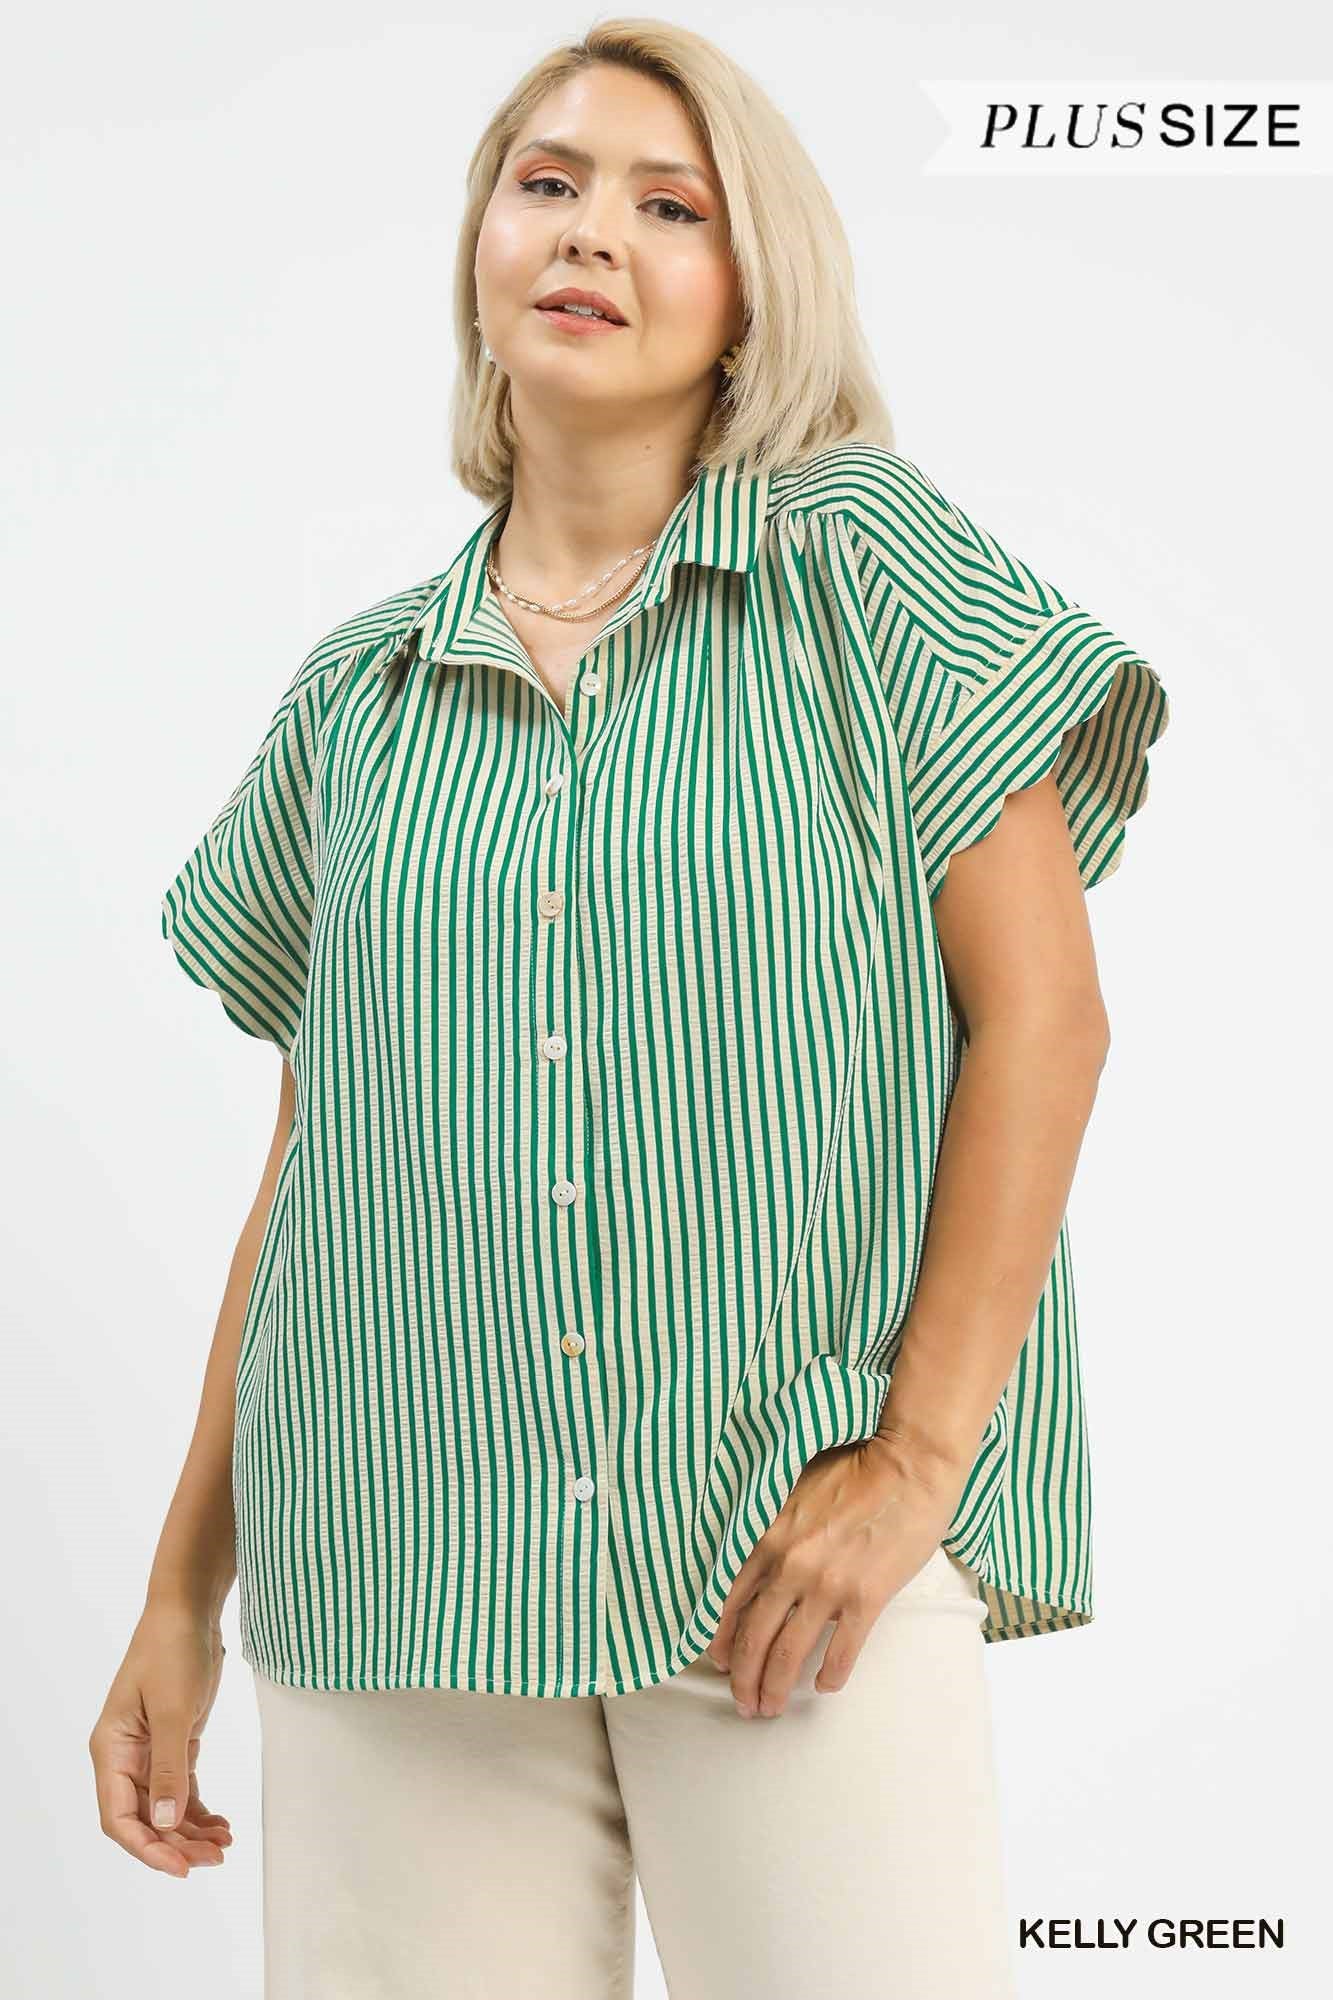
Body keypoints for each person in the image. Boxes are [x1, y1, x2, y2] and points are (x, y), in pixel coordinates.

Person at [89, 19, 1170, 1998]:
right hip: (395, 1577)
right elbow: (316, 1167)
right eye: (549, 183)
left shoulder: (865, 573)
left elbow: (1047, 1020)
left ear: (752, 289)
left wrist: (915, 1465)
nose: (594, 231)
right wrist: (181, 1593)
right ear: (481, 249)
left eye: (671, 206)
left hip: (780, 1552)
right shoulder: (355, 702)